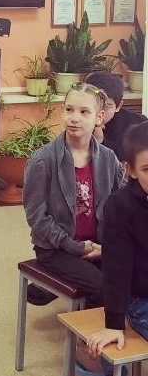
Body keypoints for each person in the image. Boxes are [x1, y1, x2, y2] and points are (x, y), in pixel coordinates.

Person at [23, 82, 122, 310]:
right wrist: (76, 247)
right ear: (62, 111)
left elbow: (118, 208)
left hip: (97, 245)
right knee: (104, 288)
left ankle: (50, 290)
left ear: (99, 117)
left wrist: (107, 247)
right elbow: (37, 219)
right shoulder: (42, 160)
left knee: (134, 274)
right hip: (55, 249)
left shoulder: (109, 159)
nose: (74, 118)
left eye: (84, 112)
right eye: (69, 110)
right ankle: (88, 331)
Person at [87, 121, 148, 358]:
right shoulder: (120, 206)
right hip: (141, 299)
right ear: (130, 170)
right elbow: (116, 267)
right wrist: (113, 324)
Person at [84, 71, 146, 162]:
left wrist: (101, 141)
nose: (100, 112)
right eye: (95, 104)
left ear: (118, 106)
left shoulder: (138, 123)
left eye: (107, 106)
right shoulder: (78, 121)